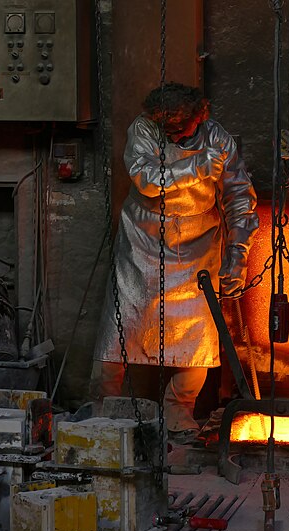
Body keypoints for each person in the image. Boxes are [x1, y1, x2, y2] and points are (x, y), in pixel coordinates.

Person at [93, 83, 259, 443]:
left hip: (197, 246)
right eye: (165, 128)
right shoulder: (143, 129)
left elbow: (239, 199)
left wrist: (237, 256)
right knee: (118, 332)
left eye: (178, 129)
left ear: (202, 115)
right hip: (143, 241)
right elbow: (148, 181)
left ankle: (178, 410)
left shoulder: (220, 141)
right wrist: (199, 165)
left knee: (198, 341)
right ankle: (104, 408)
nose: (171, 135)